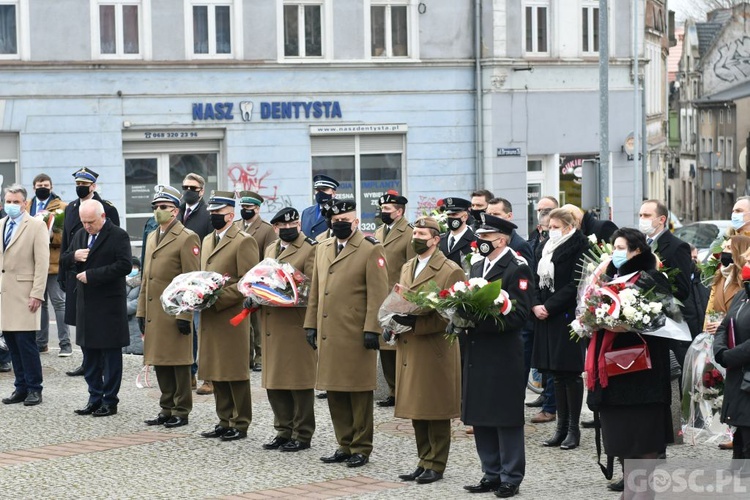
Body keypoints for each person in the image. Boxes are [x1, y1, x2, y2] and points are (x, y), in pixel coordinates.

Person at [586, 228, 674, 489]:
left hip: (642, 378)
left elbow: (666, 319)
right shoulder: (607, 280)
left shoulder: (652, 278)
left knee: (642, 441)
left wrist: (627, 324)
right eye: (614, 247)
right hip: (612, 379)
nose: (616, 253)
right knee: (622, 440)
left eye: (622, 247)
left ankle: (642, 492)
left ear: (637, 251)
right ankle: (632, 489)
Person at [303, 200, 389, 468]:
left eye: (345, 220)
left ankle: (361, 447)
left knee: (358, 392)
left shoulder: (370, 249)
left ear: (355, 222)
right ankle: (344, 443)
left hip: (355, 332)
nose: (339, 224)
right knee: (335, 391)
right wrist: (310, 324)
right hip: (329, 330)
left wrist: (373, 328)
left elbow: (378, 294)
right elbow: (317, 289)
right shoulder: (324, 247)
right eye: (335, 220)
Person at [461, 214, 534, 498]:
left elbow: (519, 314)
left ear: (501, 240)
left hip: (503, 351)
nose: (480, 242)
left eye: (486, 238)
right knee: (482, 414)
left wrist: (480, 320)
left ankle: (510, 476)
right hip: (477, 350)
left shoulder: (517, 267)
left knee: (505, 416)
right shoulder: (478, 265)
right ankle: (490, 472)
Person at [388, 216, 464, 485]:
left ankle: (436, 463)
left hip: (434, 348)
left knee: (435, 409)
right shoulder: (409, 265)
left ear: (436, 239)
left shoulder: (450, 269)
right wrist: (393, 322)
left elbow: (454, 314)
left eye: (422, 234)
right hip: (410, 346)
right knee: (417, 408)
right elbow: (401, 298)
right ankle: (423, 460)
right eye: (415, 233)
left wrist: (418, 322)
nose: (416, 237)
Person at [255, 207, 318, 452]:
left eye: (292, 225)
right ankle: (283, 430)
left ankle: (302, 433)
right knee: (275, 381)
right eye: (282, 226)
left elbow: (311, 286)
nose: (288, 229)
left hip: (294, 322)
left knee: (298, 382)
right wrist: (256, 293)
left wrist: (282, 290)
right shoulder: (271, 248)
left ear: (299, 225)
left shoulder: (310, 248)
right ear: (275, 229)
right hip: (271, 323)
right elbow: (263, 277)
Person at [61, 199, 132, 417]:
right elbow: (63, 259)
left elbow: (125, 265)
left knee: (110, 357)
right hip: (86, 305)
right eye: (83, 222)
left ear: (102, 217)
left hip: (109, 305)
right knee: (89, 356)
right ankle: (94, 397)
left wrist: (93, 275)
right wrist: (73, 256)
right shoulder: (81, 235)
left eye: (90, 222)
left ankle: (110, 401)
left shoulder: (118, 235)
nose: (87, 226)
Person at [137, 186, 201, 429]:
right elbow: (146, 277)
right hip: (155, 311)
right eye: (156, 207)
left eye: (163, 207)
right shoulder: (153, 235)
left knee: (178, 363)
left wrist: (186, 314)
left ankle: (181, 409)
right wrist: (142, 311)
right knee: (160, 361)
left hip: (175, 312)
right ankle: (166, 407)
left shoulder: (186, 237)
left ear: (175, 210)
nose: (158, 212)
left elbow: (190, 279)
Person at [198, 191, 258, 442]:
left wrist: (217, 298)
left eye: (218, 214)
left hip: (232, 314)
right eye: (211, 213)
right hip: (210, 316)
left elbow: (249, 281)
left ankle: (240, 422)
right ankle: (224, 419)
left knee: (234, 371)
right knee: (216, 370)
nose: (213, 217)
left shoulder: (243, 241)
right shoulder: (207, 240)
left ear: (231, 215)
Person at [531, 208, 589, 449]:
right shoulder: (545, 247)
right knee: (555, 373)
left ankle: (573, 429)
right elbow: (534, 278)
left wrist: (549, 306)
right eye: (548, 226)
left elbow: (576, 283)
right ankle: (560, 428)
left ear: (568, 226)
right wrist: (535, 304)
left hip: (566, 316)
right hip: (546, 317)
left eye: (555, 226)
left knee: (570, 374)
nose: (549, 230)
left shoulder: (580, 246)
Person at [60, 167, 120, 377]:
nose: (80, 188)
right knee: (81, 321)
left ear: (93, 186)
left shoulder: (107, 208)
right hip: (75, 273)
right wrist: (63, 271)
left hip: (97, 276)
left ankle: (101, 362)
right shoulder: (70, 208)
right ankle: (88, 361)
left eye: (84, 185)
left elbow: (114, 244)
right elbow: (67, 243)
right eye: (77, 185)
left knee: (98, 322)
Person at [0, 185, 50, 407]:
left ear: (25, 203)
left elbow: (42, 263)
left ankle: (34, 388)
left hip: (24, 293)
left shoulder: (36, 226)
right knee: (11, 343)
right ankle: (20, 387)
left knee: (26, 343)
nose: (11, 205)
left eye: (15, 202)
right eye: (8, 201)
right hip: (4, 293)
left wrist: (37, 293)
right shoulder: (1, 225)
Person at [638, 199, 694, 365]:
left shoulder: (677, 247)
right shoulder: (639, 245)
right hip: (642, 323)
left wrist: (656, 292)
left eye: (647, 215)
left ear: (662, 219)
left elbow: (683, 289)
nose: (642, 219)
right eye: (640, 215)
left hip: (666, 322)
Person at [373, 192, 415, 408]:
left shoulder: (409, 233)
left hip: (399, 296)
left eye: (388, 210)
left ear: (399, 211)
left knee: (398, 346)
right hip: (380, 295)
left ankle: (404, 390)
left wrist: (406, 298)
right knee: (385, 347)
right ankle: (392, 390)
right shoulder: (380, 231)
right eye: (382, 209)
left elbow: (411, 265)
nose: (383, 213)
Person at [177, 173, 214, 394]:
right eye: (185, 186)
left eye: (192, 187)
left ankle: (208, 377)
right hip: (181, 281)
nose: (188, 190)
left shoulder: (208, 214)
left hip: (201, 280)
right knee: (186, 329)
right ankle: (189, 373)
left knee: (203, 330)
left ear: (201, 190)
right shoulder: (179, 210)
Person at [713, 257, 750, 476]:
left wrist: (731, 356)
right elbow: (724, 326)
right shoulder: (741, 296)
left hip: (743, 367)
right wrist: (720, 351)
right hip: (737, 370)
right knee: (738, 418)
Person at [27, 173, 70, 357]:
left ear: (51, 187)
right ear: (34, 187)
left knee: (59, 303)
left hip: (53, 262)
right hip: (32, 262)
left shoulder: (62, 207)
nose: (42, 187)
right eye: (39, 185)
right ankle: (41, 342)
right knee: (39, 303)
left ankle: (65, 344)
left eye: (45, 184)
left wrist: (52, 236)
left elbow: (67, 235)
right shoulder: (28, 205)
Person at [233, 190, 274, 372]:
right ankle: (245, 355)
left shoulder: (266, 229)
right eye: (242, 207)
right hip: (239, 279)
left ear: (257, 209)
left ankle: (260, 356)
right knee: (242, 321)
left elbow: (270, 256)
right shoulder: (235, 226)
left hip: (258, 280)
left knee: (257, 321)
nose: (245, 210)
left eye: (248, 207)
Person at [704, 236, 750, 334]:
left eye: (729, 248)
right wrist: (706, 330)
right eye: (724, 247)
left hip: (738, 337)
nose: (724, 251)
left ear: (740, 252)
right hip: (718, 338)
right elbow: (710, 308)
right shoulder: (719, 276)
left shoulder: (746, 280)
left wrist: (723, 326)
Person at [486, 197, 534, 268]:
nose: (492, 218)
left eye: (496, 214)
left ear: (509, 216)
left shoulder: (520, 245)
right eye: (489, 215)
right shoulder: (485, 241)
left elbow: (527, 273)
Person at [438, 197, 476, 267]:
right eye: (448, 215)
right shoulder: (439, 239)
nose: (450, 218)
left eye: (454, 214)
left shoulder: (474, 240)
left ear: (465, 217)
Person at [301, 174, 339, 239]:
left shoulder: (341, 211)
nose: (320, 193)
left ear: (333, 193)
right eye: (317, 190)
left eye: (324, 190)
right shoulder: (306, 212)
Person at [123, 257, 143, 356]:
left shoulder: (142, 282)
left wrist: (123, 308)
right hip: (122, 320)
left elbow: (140, 300)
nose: (133, 269)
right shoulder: (121, 281)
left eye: (135, 267)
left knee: (137, 348)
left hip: (135, 320)